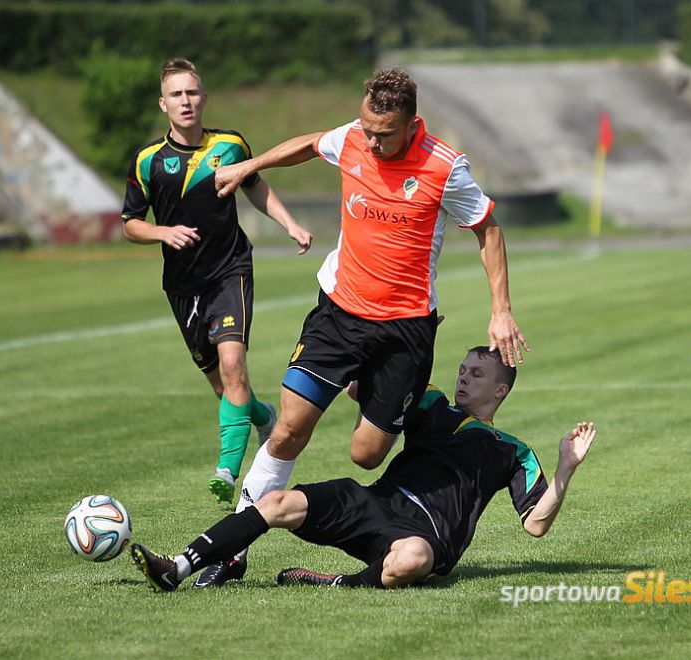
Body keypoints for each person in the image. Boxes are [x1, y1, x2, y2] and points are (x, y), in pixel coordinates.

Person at [191, 67, 530, 586]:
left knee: (367, 454)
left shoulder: (445, 167)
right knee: (287, 430)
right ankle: (232, 551)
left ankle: (366, 399)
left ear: (412, 123)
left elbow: (487, 227)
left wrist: (500, 308)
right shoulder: (353, 137)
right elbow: (308, 144)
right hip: (339, 315)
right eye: (367, 128)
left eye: (384, 133)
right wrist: (249, 166)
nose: (370, 140)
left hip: (405, 331)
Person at [129, 346, 596, 591]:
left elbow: (535, 524)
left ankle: (338, 583)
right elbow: (363, 390)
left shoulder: (511, 451)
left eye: (476, 374)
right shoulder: (431, 402)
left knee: (411, 560)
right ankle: (178, 566)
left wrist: (565, 467)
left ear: (501, 391)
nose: (463, 377)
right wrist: (394, 352)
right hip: (375, 503)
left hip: (424, 536)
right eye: (462, 368)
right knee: (277, 503)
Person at [121, 58, 313, 505]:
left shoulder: (231, 145)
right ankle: (262, 416)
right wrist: (161, 232)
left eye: (192, 93)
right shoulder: (149, 160)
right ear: (163, 104)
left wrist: (289, 224)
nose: (185, 101)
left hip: (230, 271)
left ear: (204, 98)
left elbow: (256, 187)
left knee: (233, 365)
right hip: (181, 285)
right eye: (177, 95)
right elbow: (130, 223)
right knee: (223, 387)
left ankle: (226, 471)